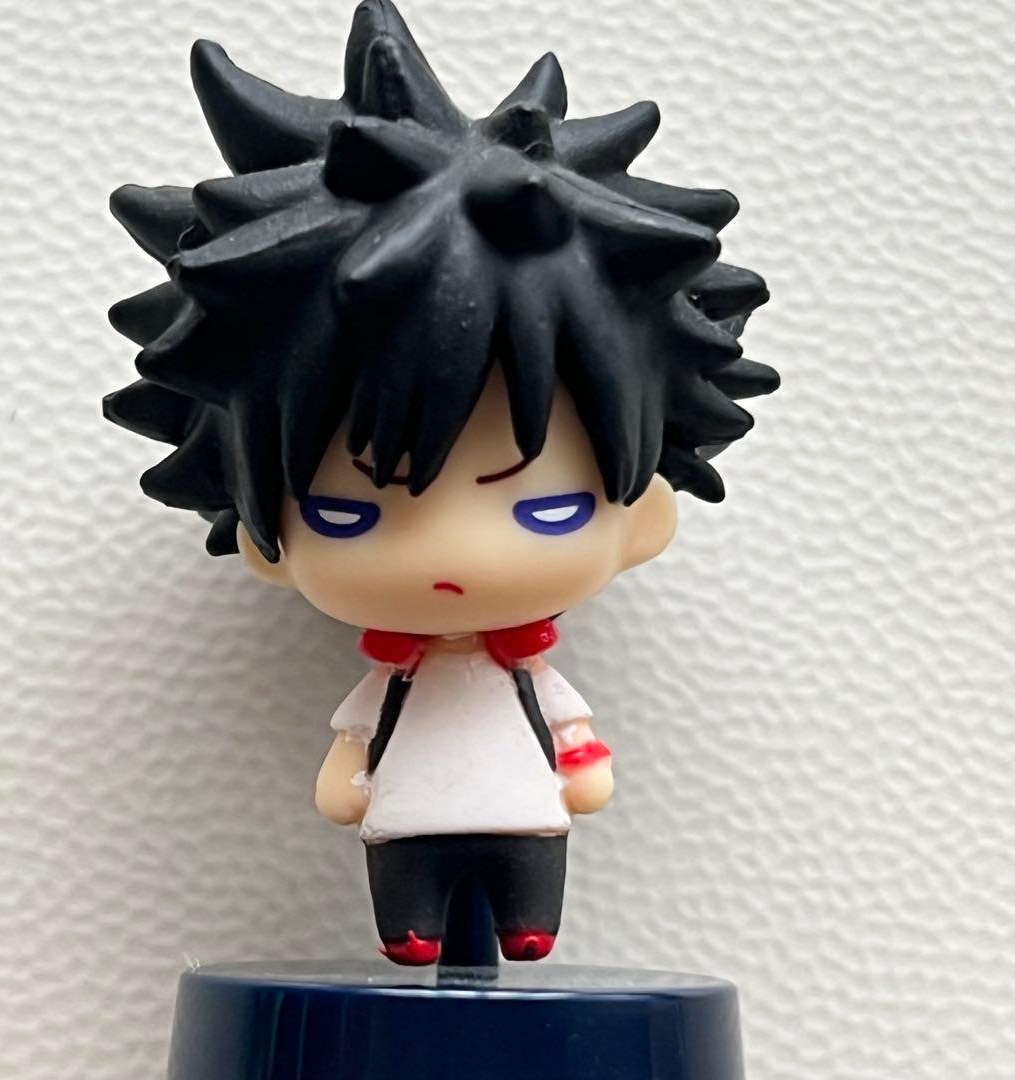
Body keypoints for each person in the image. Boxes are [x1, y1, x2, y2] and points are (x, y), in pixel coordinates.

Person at [104, 0, 778, 964]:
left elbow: (572, 743)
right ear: (262, 539)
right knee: (411, 903)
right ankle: (412, 926)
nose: (452, 555)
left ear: (644, 522)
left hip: (520, 810)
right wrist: (350, 771)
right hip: (410, 813)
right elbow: (356, 751)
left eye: (547, 508)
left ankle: (525, 922)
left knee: (524, 903)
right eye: (347, 513)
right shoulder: (401, 678)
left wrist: (580, 761)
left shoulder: (524, 672)